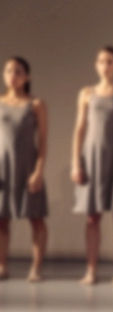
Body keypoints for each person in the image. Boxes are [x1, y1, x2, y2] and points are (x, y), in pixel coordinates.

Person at [71, 46, 113, 285]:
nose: (105, 65)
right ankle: (91, 270)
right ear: (96, 65)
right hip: (91, 159)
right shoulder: (87, 93)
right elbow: (80, 129)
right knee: (92, 217)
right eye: (101, 61)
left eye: (110, 61)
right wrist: (75, 163)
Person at [0, 57, 48, 282]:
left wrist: (39, 171)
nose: (12, 75)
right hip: (2, 168)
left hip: (28, 166)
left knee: (36, 219)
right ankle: (2, 266)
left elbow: (44, 141)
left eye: (18, 71)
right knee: (1, 219)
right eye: (8, 70)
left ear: (26, 77)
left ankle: (36, 268)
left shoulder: (36, 104)